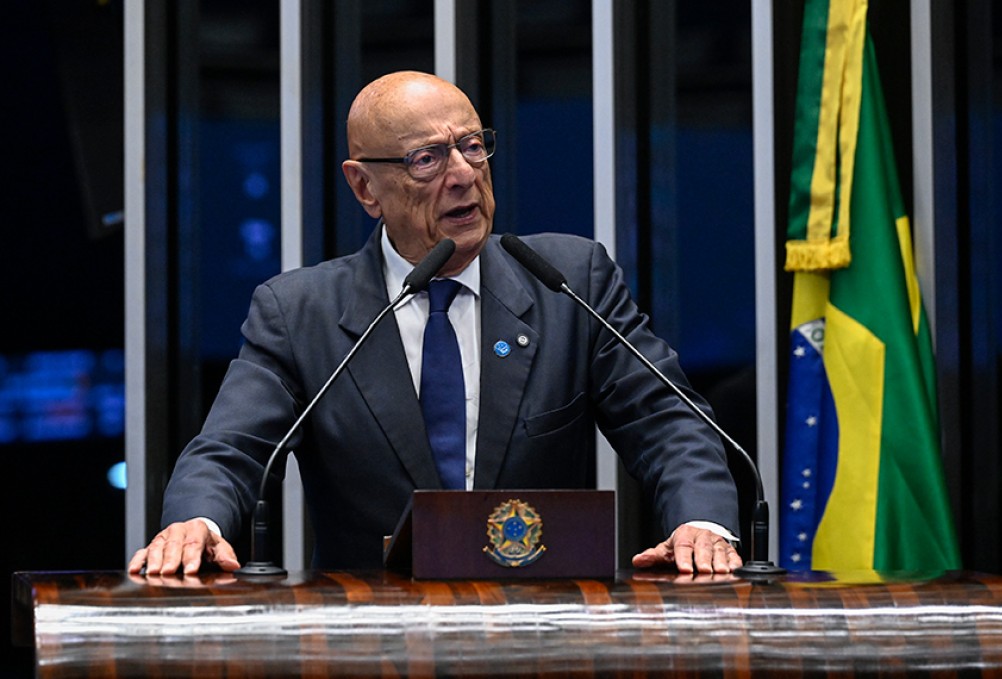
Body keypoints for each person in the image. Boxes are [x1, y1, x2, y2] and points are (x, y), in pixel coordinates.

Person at [129, 71, 743, 577]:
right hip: (371, 635)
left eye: (472, 146)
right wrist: (196, 522)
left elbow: (667, 421)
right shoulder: (300, 313)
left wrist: (701, 522)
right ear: (365, 187)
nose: (463, 174)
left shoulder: (569, 282)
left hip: (544, 625)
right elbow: (231, 448)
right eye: (427, 159)